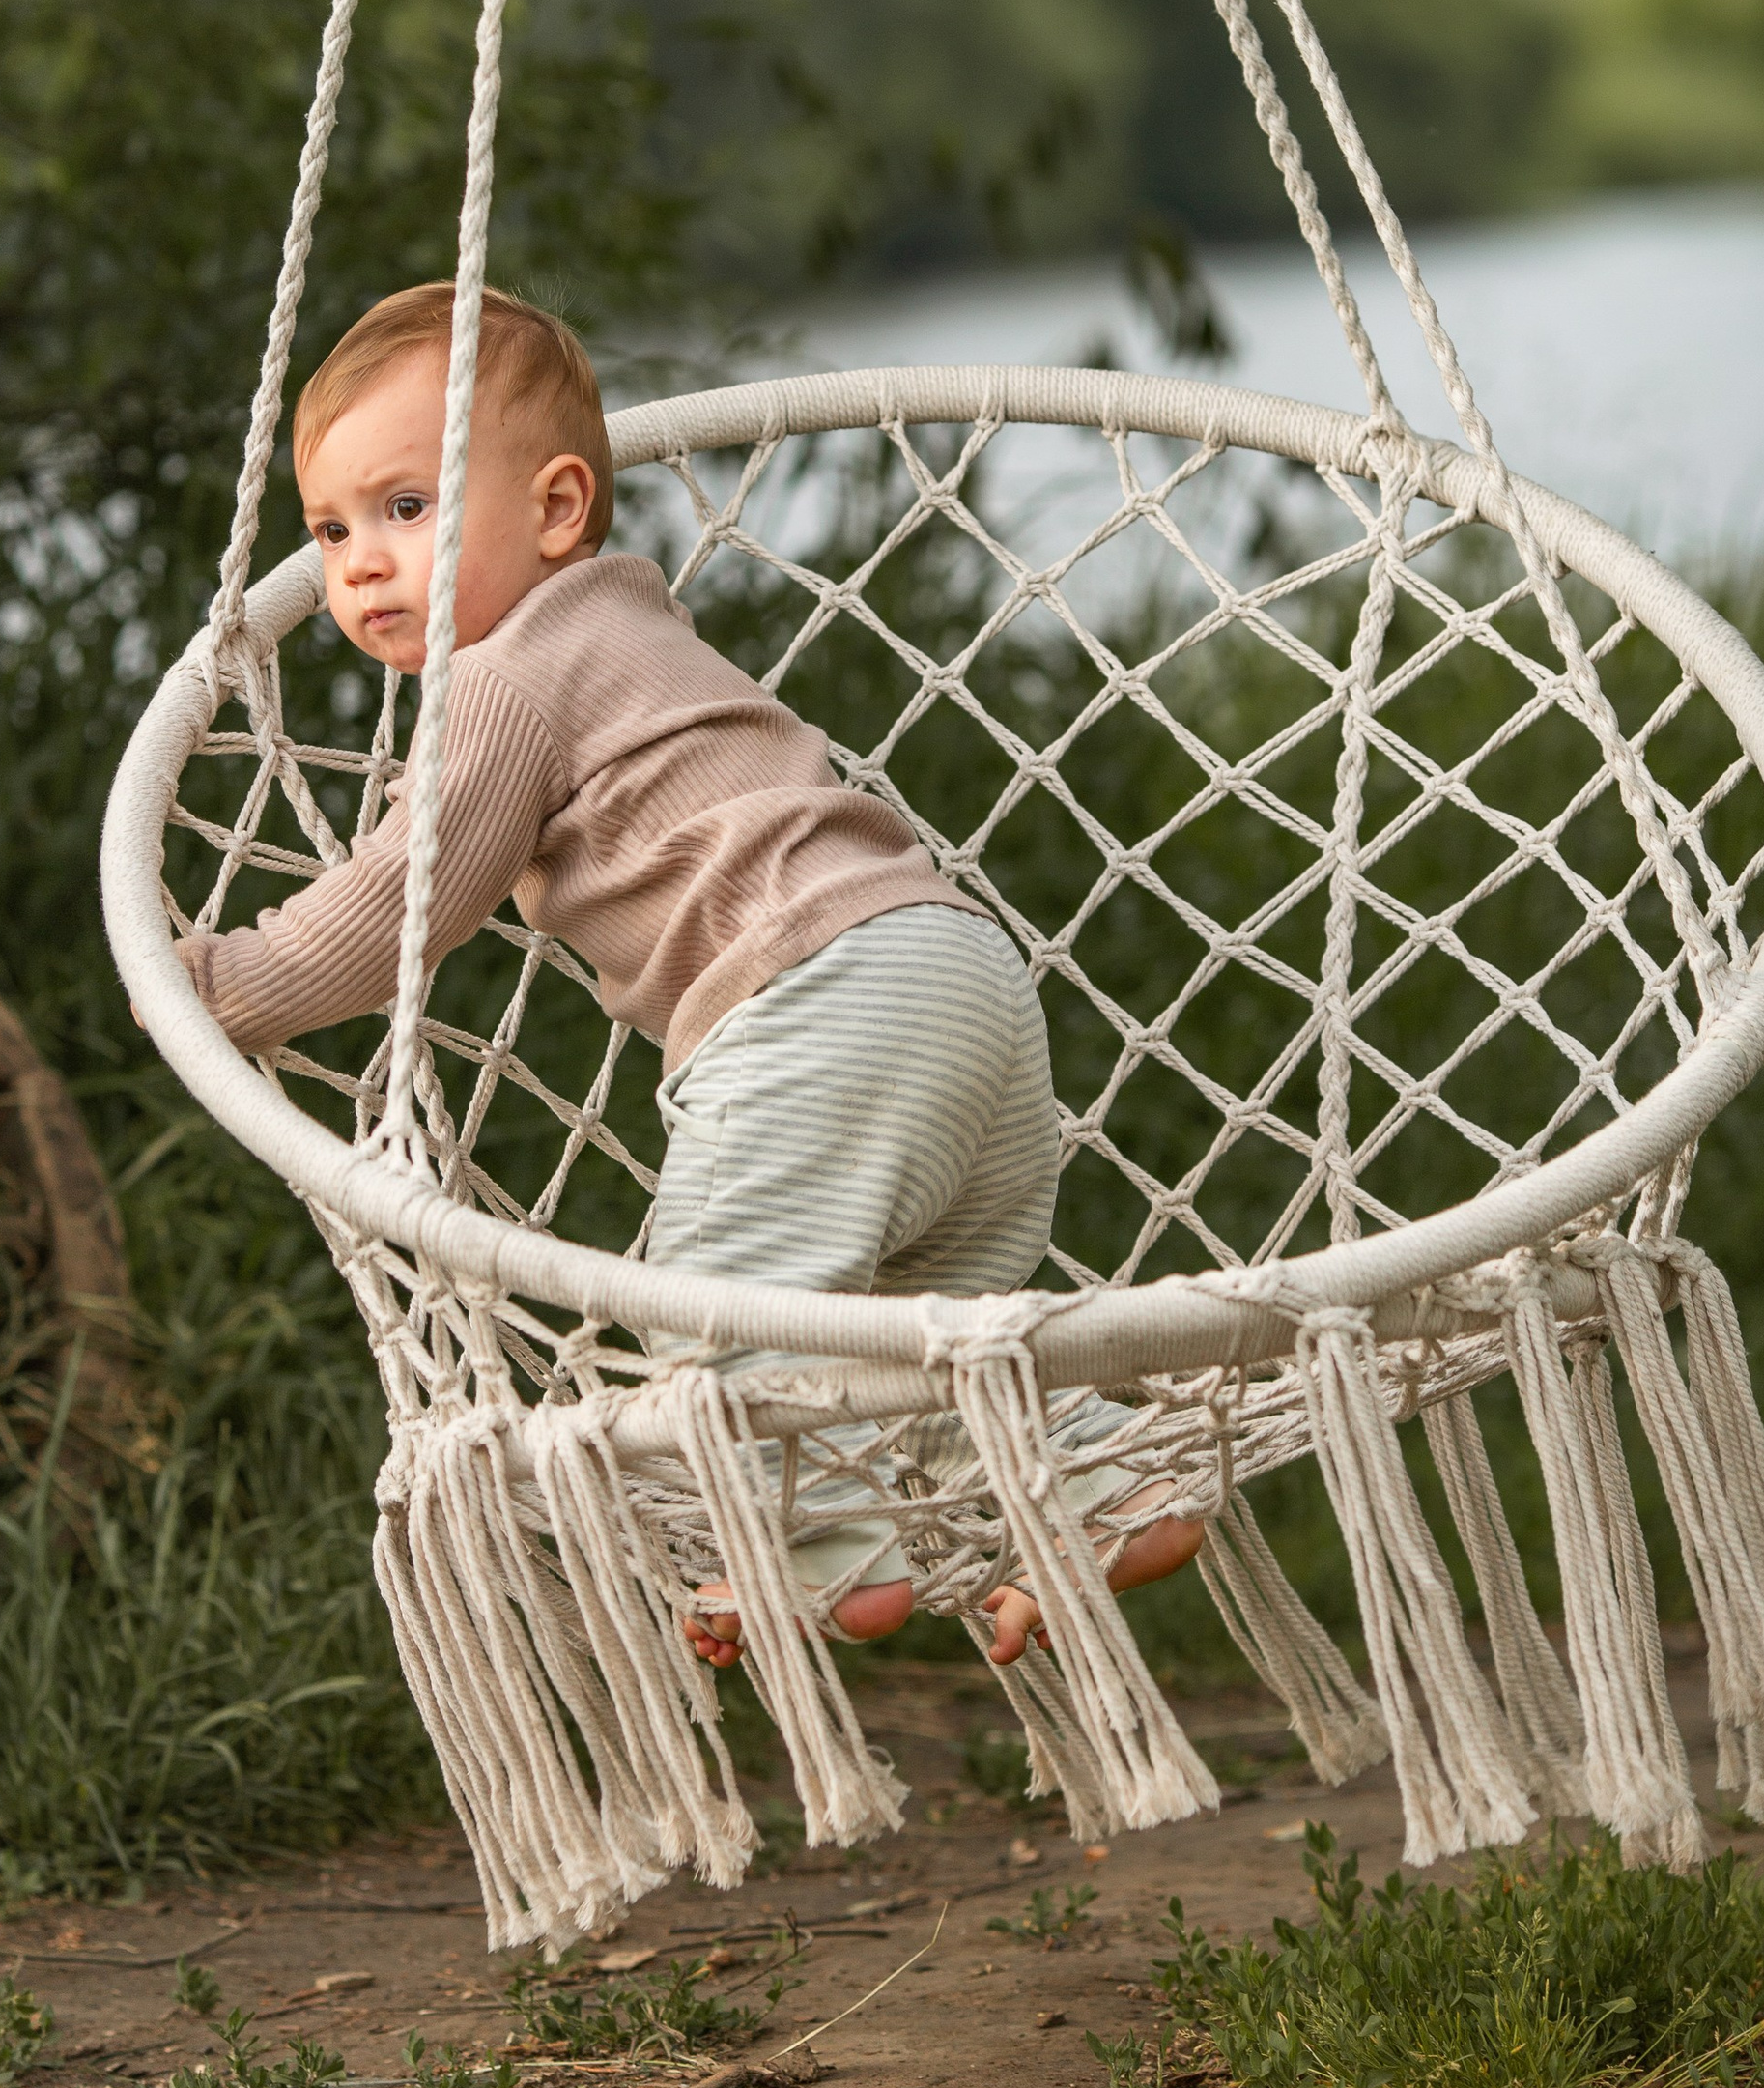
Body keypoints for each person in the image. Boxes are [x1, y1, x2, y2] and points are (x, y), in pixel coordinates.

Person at [169, 280, 1202, 1668]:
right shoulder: (626, 623)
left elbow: (397, 916)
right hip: (962, 983)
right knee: (916, 1345)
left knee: (720, 1316)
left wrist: (218, 984)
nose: (358, 564)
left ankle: (812, 1562)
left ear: (553, 510)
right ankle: (1101, 1480)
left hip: (814, 1005)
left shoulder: (505, 681)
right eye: (331, 528)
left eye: (408, 509)